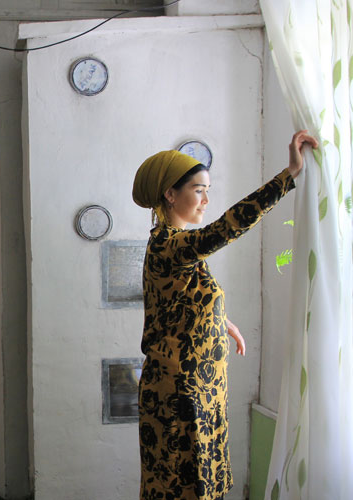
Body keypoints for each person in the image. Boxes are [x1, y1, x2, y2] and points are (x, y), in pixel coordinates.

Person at [132, 130, 318, 499]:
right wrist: (289, 175)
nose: (206, 199)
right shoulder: (171, 244)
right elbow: (228, 227)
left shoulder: (177, 248)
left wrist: (222, 322)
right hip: (181, 393)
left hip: (201, 388)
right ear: (171, 194)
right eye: (198, 190)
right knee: (183, 487)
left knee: (201, 481)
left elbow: (180, 303)